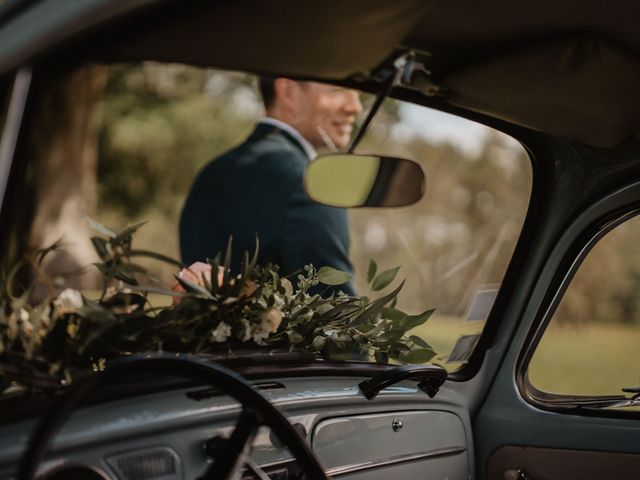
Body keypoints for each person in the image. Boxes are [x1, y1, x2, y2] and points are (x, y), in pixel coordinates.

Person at [179, 77, 363, 294]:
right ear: (288, 92)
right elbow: (337, 310)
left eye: (359, 92)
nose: (355, 107)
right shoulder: (312, 182)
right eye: (338, 88)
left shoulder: (211, 172)